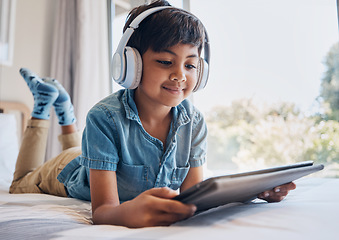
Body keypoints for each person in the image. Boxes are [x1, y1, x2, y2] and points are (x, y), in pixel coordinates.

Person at [10, 0, 296, 228]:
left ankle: (65, 110)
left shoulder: (193, 122)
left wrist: (252, 192)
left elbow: (195, 197)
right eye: (165, 61)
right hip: (68, 169)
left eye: (191, 65)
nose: (180, 75)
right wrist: (128, 212)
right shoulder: (104, 118)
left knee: (78, 147)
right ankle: (44, 106)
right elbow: (103, 212)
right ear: (129, 64)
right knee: (20, 183)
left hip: (90, 153)